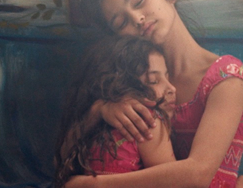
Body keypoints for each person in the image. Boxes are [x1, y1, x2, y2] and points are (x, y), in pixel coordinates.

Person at [66, 0, 243, 188]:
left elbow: (198, 174)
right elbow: (65, 155)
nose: (137, 18)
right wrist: (99, 111)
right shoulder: (130, 81)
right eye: (121, 22)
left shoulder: (227, 79)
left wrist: (92, 185)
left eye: (139, 1)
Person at [53, 35, 178, 187]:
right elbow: (60, 163)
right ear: (122, 83)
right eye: (153, 81)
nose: (172, 88)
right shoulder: (95, 119)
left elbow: (170, 182)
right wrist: (96, 112)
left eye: (167, 76)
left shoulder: (148, 121)